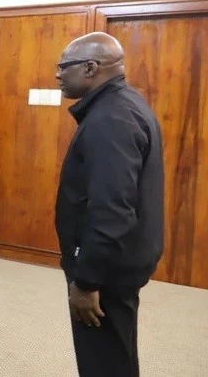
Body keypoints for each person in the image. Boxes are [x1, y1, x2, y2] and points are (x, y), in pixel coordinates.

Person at [54, 32, 164, 376]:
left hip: (105, 271)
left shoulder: (111, 119)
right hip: (119, 260)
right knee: (116, 356)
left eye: (63, 66)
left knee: (103, 364)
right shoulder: (123, 104)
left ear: (90, 68)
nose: (57, 74)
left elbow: (112, 210)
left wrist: (86, 282)